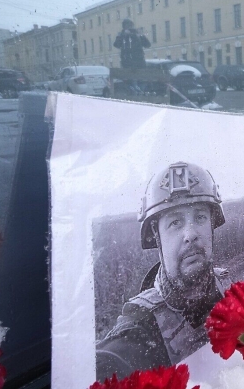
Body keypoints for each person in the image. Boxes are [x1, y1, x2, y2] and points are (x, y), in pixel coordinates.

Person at [95, 161, 231, 381]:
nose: (190, 234)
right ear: (157, 237)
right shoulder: (141, 327)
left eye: (200, 217)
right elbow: (110, 361)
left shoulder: (230, 288)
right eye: (175, 222)